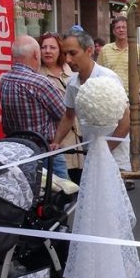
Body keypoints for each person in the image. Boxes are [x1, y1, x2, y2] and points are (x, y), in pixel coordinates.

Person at [51, 29, 131, 175]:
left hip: (114, 155)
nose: (68, 59)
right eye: (65, 54)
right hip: (91, 152)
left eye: (73, 53)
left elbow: (126, 121)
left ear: (89, 51)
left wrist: (106, 148)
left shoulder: (108, 78)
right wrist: (56, 142)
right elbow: (69, 116)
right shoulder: (72, 83)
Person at [0, 35, 67, 180]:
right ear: (37, 54)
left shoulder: (5, 79)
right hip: (45, 150)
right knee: (66, 193)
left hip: (17, 150)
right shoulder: (39, 82)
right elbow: (64, 114)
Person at [40, 32, 82, 178]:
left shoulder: (71, 70)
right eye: (43, 47)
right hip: (57, 137)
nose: (47, 51)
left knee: (80, 180)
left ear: (60, 51)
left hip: (79, 135)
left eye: (52, 47)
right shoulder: (38, 75)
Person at [96, 16, 140, 100]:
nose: (121, 30)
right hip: (110, 97)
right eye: (118, 28)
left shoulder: (137, 49)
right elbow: (98, 74)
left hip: (132, 98)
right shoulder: (105, 50)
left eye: (124, 27)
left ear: (128, 30)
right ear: (113, 31)